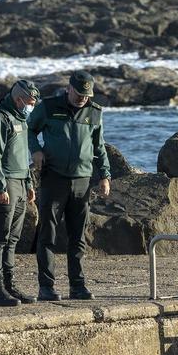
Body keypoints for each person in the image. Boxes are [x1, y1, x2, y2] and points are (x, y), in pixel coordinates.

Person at [27, 69, 110, 301]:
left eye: (87, 95)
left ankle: (78, 286)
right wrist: (36, 150)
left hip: (82, 181)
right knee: (48, 234)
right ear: (69, 88)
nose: (83, 98)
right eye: (79, 94)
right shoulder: (49, 107)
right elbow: (29, 129)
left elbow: (99, 146)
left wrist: (105, 176)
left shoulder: (94, 112)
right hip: (54, 178)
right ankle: (46, 286)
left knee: (78, 236)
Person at [0, 79, 41, 307]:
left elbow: (22, 156)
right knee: (0, 237)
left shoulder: (21, 118)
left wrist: (29, 184)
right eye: (30, 102)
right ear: (19, 99)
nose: (32, 107)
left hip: (19, 182)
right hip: (4, 183)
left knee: (13, 238)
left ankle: (9, 284)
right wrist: (0, 186)